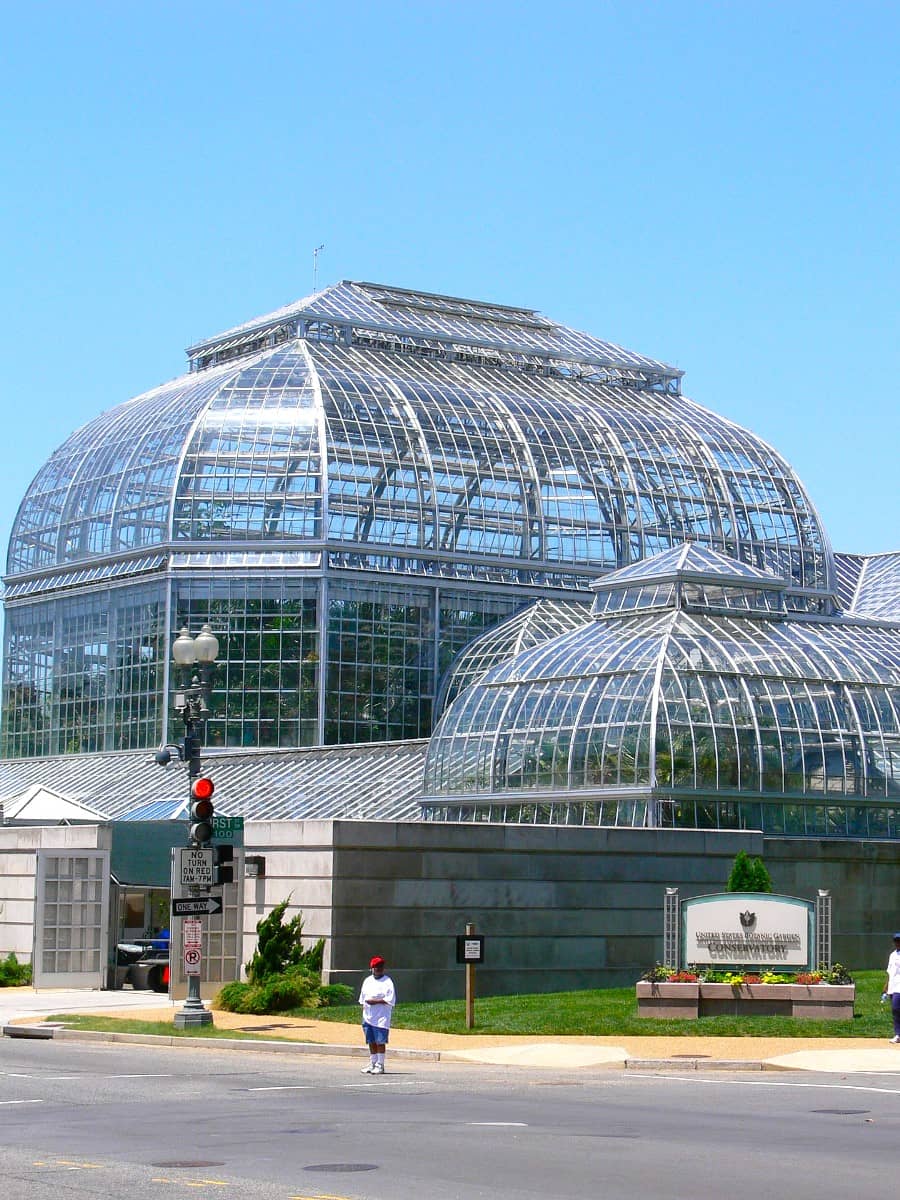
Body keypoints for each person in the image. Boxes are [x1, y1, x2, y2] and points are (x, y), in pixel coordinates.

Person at [359, 955, 396, 1074]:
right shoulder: (367, 981)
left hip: (381, 1017)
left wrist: (375, 1002)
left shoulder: (387, 982)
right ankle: (373, 1063)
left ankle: (380, 1064)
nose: (378, 969)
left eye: (380, 967)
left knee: (380, 1041)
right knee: (371, 1041)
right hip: (368, 1017)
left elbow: (390, 1000)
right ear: (371, 968)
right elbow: (362, 999)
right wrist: (364, 1011)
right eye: (376, 967)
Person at [884, 932, 900, 1043]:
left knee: (897, 1007)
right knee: (895, 1010)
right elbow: (890, 972)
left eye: (899, 940)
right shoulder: (893, 955)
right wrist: (886, 987)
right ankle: (898, 1034)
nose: (897, 943)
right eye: (896, 941)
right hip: (893, 986)